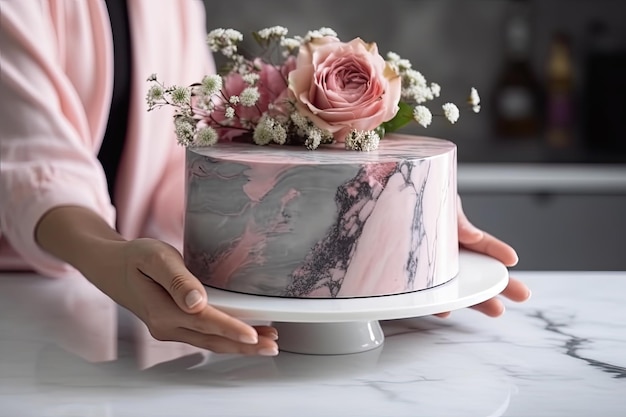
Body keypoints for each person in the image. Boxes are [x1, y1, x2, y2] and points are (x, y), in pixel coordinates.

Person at [0, 0, 530, 358]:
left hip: (139, 314)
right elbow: (34, 167)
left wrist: (381, 218)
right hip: (25, 314)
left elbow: (177, 167)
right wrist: (110, 257)